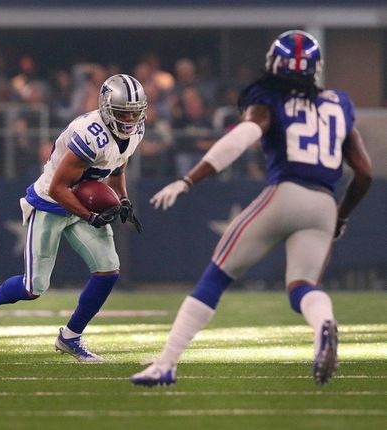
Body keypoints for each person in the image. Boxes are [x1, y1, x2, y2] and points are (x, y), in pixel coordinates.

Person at [131, 30, 372, 386]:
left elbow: (240, 140)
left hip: (285, 192)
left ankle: (166, 364)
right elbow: (364, 172)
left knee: (216, 276)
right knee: (302, 287)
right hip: (323, 202)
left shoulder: (268, 98)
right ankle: (323, 325)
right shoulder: (338, 102)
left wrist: (188, 180)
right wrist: (341, 214)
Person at [0, 74, 145, 362]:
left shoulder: (134, 131)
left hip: (81, 200)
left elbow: (118, 167)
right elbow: (57, 187)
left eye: (135, 112)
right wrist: (90, 216)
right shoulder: (90, 134)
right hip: (52, 203)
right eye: (123, 111)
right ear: (106, 107)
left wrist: (122, 199)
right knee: (33, 287)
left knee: (108, 270)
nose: (129, 118)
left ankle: (70, 337)